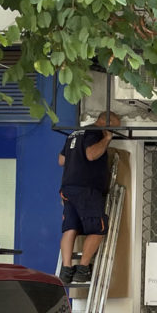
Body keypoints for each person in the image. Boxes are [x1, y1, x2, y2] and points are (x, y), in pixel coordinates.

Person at [58, 112, 121, 284]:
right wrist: (106, 139)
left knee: (70, 227)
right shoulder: (95, 132)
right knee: (98, 229)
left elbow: (61, 160)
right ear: (106, 122)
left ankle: (66, 269)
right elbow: (91, 154)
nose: (116, 130)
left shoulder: (75, 133)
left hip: (68, 189)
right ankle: (83, 269)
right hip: (86, 189)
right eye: (115, 126)